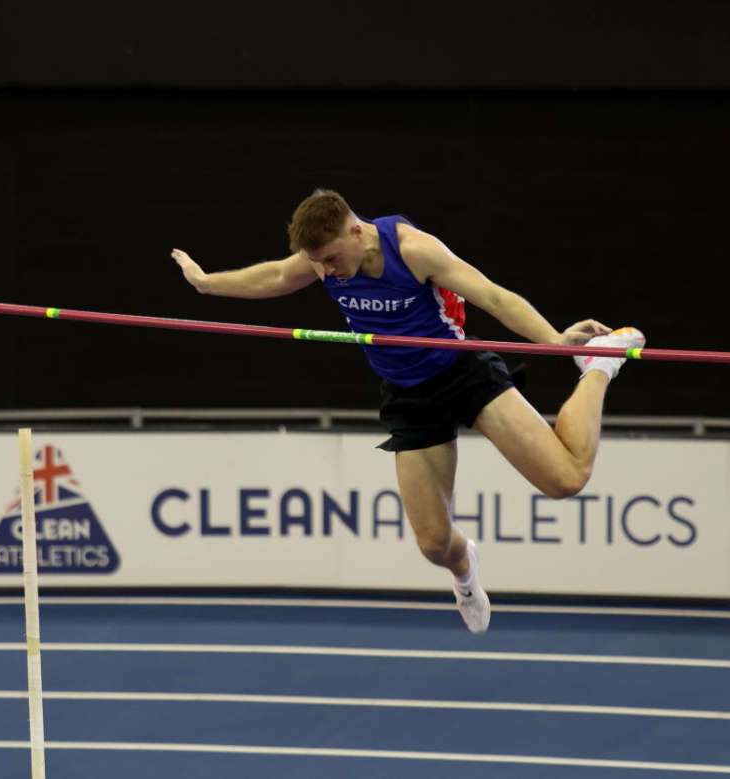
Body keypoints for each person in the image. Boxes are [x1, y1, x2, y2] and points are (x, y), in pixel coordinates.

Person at [172, 189, 644, 633]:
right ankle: (465, 573)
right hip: (408, 396)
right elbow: (275, 276)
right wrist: (206, 284)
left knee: (565, 479)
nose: (329, 271)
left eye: (333, 258)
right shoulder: (322, 262)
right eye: (318, 264)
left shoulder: (415, 250)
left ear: (356, 231)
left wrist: (555, 342)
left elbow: (494, 297)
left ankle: (597, 365)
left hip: (462, 373)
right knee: (434, 545)